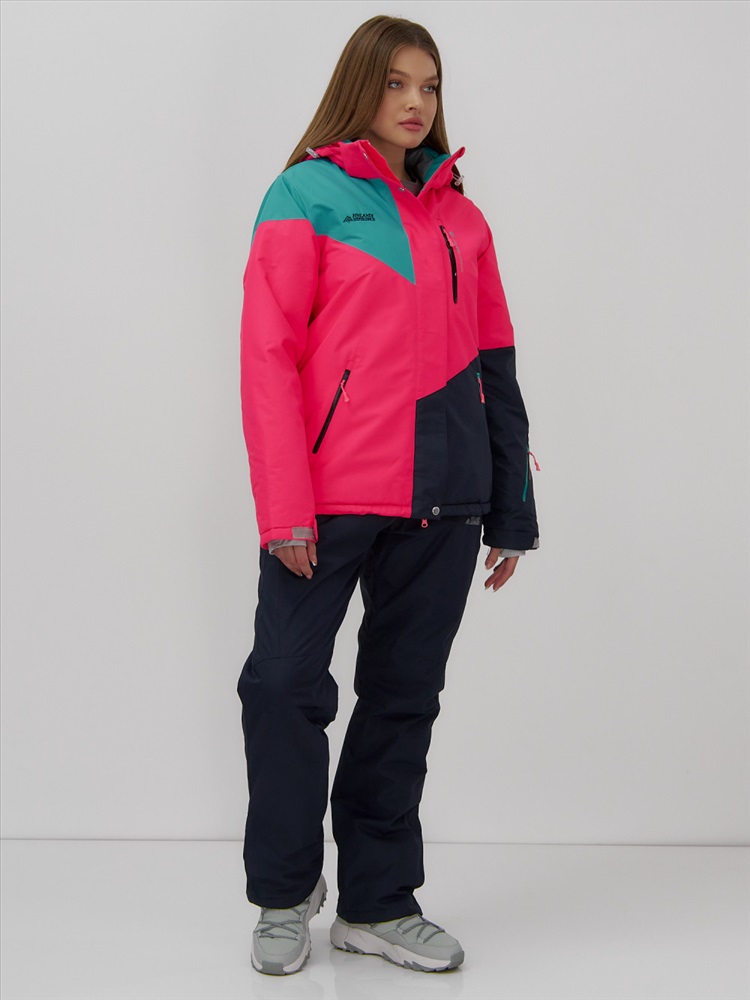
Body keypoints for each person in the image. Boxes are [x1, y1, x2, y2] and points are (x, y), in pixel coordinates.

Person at [236, 13, 540, 977]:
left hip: (446, 499)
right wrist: (284, 510)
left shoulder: (463, 219)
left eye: (430, 86)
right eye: (397, 82)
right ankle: (284, 893)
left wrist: (511, 508)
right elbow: (267, 359)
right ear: (359, 86)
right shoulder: (304, 194)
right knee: (282, 686)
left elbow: (496, 363)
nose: (416, 102)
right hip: (328, 500)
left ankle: (377, 902)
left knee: (404, 699)